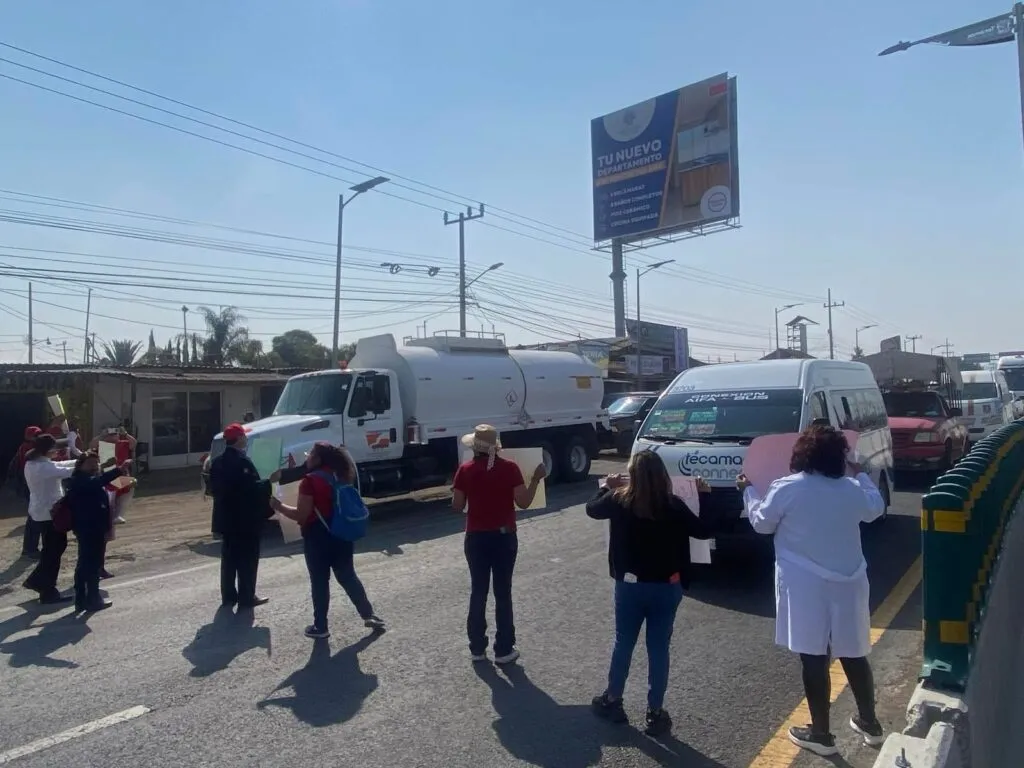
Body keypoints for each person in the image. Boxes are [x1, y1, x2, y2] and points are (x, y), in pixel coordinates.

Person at [737, 424, 886, 756]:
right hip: (850, 581)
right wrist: (861, 474)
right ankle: (870, 723)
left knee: (814, 655)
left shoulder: (787, 487)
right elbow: (875, 508)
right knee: (853, 652)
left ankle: (821, 733)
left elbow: (761, 523)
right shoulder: (851, 488)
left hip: (805, 584)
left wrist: (748, 491)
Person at [586, 451, 713, 737]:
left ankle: (613, 699)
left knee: (623, 642)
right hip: (667, 586)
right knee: (658, 648)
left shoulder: (619, 500)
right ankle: (655, 712)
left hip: (630, 585)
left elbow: (591, 509)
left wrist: (606, 486)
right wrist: (705, 496)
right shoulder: (673, 505)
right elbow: (704, 531)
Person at [450, 425, 544, 665]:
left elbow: (457, 506)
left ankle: (477, 648)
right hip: (504, 537)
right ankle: (503, 649)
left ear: (474, 447)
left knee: (478, 592)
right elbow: (524, 502)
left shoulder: (465, 470)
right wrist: (535, 479)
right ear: (496, 447)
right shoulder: (510, 468)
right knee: (503, 593)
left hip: (476, 537)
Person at [272, 442, 385, 639]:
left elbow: (301, 515)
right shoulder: (341, 475)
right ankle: (368, 614)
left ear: (317, 459)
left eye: (310, 454)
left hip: (318, 536)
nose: (307, 458)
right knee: (348, 576)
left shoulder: (310, 481)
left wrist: (278, 506)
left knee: (320, 582)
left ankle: (321, 626)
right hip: (342, 532)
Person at [209, 423, 273, 609]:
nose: (246, 439)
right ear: (238, 439)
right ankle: (247, 596)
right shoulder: (242, 462)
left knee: (229, 560)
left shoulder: (217, 462)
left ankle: (229, 596)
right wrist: (269, 482)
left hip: (225, 518)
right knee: (247, 559)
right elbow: (250, 490)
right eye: (244, 436)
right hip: (244, 520)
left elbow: (214, 489)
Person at [66, 451, 130, 612]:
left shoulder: (87, 478)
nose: (94, 466)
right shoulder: (80, 480)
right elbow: (98, 482)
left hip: (93, 527)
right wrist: (118, 470)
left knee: (86, 564)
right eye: (90, 463)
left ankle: (82, 600)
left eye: (96, 463)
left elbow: (102, 482)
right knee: (91, 565)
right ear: (81, 465)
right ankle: (92, 599)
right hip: (89, 528)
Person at [21, 434, 77, 604]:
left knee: (52, 549)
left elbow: (61, 465)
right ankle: (47, 590)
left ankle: (37, 581)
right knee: (53, 550)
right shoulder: (42, 467)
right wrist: (88, 462)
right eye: (54, 448)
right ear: (48, 450)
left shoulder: (35, 463)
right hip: (49, 514)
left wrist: (81, 459)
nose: (57, 451)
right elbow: (67, 471)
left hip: (42, 512)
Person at [9, 425, 43, 559]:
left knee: (34, 517)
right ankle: (30, 549)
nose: (38, 437)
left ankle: (30, 548)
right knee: (34, 518)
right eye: (36, 435)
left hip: (29, 485)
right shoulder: (29, 448)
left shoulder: (26, 447)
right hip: (30, 486)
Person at [92, 427, 137, 525]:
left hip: (119, 477)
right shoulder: (102, 445)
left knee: (131, 482)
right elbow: (92, 445)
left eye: (115, 434)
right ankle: (108, 516)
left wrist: (125, 434)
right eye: (110, 434)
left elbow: (133, 443)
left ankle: (118, 515)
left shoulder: (123, 443)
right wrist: (101, 435)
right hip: (105, 479)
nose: (113, 436)